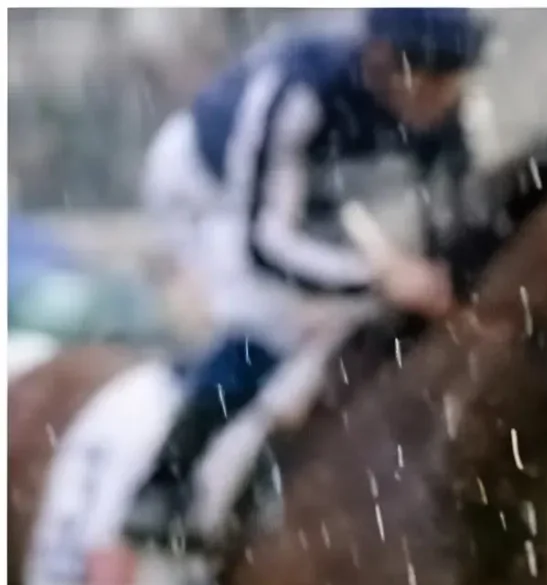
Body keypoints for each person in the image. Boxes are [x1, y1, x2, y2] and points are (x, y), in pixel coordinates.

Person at [124, 7, 487, 550]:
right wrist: (379, 280)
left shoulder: (449, 106)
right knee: (268, 320)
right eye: (430, 79)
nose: (440, 102)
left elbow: (456, 227)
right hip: (204, 188)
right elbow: (265, 246)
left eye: (452, 82)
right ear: (383, 60)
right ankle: (161, 485)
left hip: (310, 197)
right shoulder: (296, 92)